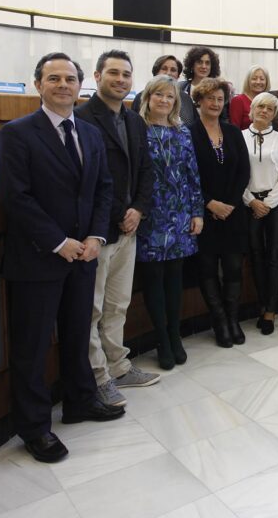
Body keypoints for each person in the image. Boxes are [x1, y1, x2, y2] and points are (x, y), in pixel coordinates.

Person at [0, 52, 123, 463]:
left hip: (84, 255)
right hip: (38, 258)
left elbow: (103, 188)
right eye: (54, 79)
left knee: (76, 333)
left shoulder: (89, 133)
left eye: (70, 79)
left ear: (80, 86)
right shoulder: (16, 133)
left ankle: (80, 400)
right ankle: (34, 428)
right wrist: (58, 241)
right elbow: (16, 196)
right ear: (38, 85)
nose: (63, 85)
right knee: (32, 347)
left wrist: (96, 236)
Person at [75, 50, 159, 408]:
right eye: (113, 73)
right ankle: (98, 377)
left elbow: (145, 171)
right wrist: (118, 215)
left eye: (126, 74)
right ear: (97, 76)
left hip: (129, 228)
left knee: (117, 305)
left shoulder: (134, 121)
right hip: (98, 230)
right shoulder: (81, 118)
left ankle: (119, 366)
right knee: (92, 309)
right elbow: (87, 180)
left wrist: (138, 209)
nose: (121, 80)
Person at [136, 75, 204, 370]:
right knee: (153, 279)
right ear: (148, 98)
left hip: (179, 214)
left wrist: (197, 212)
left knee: (175, 280)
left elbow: (192, 174)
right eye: (159, 95)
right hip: (149, 216)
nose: (164, 100)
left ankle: (175, 336)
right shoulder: (138, 129)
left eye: (169, 96)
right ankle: (161, 339)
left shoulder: (182, 131)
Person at [190, 77, 251, 347]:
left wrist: (230, 204)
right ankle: (219, 322)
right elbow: (187, 176)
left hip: (233, 212)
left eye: (219, 99)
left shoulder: (233, 132)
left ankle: (233, 319)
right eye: (210, 98)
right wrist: (209, 203)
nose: (215, 103)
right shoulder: (188, 133)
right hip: (204, 214)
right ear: (199, 101)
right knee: (207, 270)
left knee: (234, 268)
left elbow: (244, 171)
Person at [243, 92, 278, 336]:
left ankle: (270, 310)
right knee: (255, 254)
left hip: (276, 203)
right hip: (249, 203)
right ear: (252, 110)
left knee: (273, 255)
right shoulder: (240, 137)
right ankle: (261, 303)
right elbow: (237, 173)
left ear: (274, 114)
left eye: (270, 108)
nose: (264, 111)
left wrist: (268, 204)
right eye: (260, 106)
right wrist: (252, 201)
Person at [131, 55, 197, 126]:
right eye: (164, 69)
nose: (168, 73)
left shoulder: (186, 99)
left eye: (173, 70)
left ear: (178, 76)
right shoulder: (141, 97)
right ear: (156, 73)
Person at [229, 65, 270, 130]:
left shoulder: (270, 101)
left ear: (266, 82)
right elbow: (234, 129)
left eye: (262, 79)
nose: (258, 82)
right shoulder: (238, 100)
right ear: (248, 81)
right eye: (254, 79)